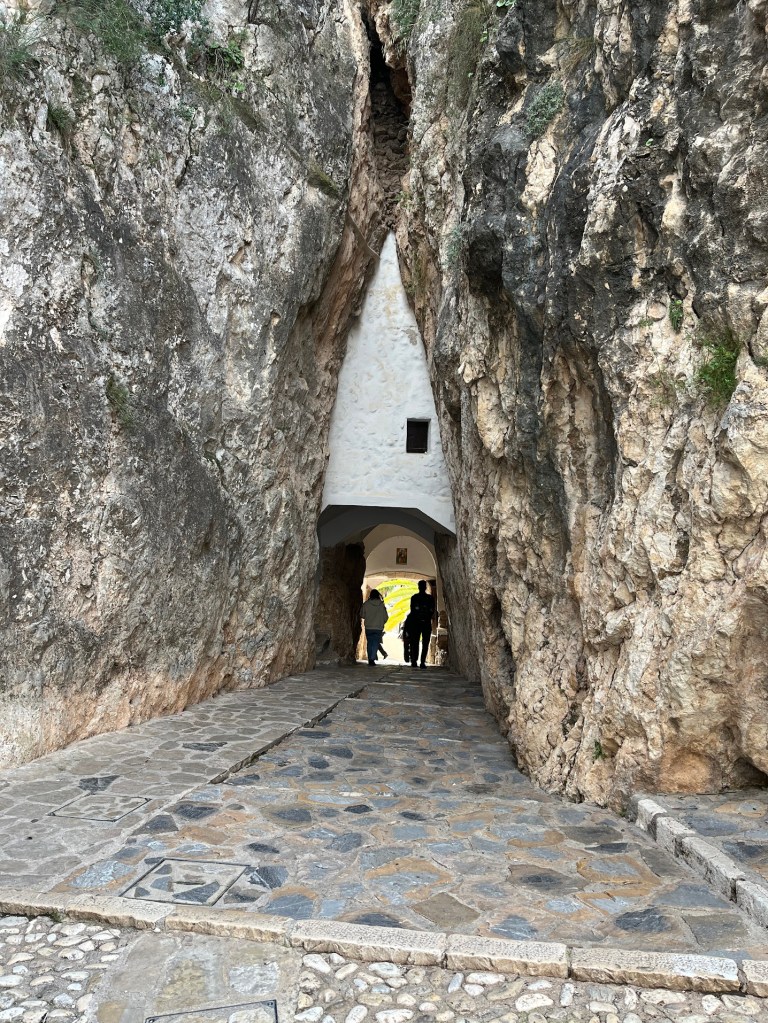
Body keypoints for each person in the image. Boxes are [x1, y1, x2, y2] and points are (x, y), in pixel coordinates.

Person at [409, 580, 435, 669]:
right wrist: (426, 617)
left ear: (418, 587)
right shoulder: (430, 598)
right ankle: (422, 662)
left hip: (416, 623)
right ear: (426, 587)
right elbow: (432, 611)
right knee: (425, 643)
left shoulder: (414, 598)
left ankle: (414, 660)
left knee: (415, 643)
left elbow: (412, 611)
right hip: (426, 623)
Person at [361, 589, 389, 666]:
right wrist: (381, 622)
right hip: (378, 628)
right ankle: (372, 659)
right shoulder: (381, 605)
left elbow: (362, 615)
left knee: (369, 643)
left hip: (369, 627)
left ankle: (370, 659)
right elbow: (386, 617)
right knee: (376, 643)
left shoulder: (366, 604)